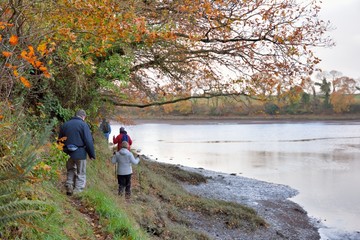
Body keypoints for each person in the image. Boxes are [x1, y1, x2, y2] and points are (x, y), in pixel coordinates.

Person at [58, 109, 95, 196]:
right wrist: (91, 154)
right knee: (81, 172)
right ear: (83, 117)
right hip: (80, 153)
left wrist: (61, 152)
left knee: (70, 169)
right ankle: (78, 192)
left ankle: (69, 186)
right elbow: (88, 141)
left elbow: (60, 140)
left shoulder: (65, 125)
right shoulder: (83, 125)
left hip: (67, 153)